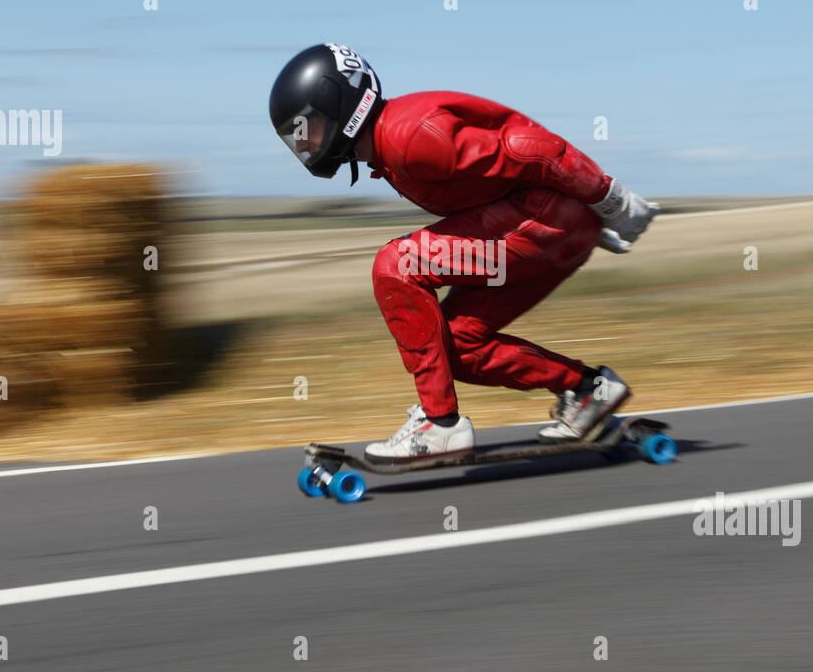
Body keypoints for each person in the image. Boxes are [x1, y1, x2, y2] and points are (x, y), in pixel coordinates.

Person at [269, 43, 658, 463]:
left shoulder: (411, 136)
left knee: (398, 265)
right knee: (452, 347)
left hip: (545, 223)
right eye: (296, 136)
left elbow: (530, 148)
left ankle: (440, 426)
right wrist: (578, 223)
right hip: (548, 230)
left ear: (340, 105)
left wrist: (607, 197)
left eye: (307, 128)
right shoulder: (389, 147)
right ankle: (589, 390)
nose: (304, 144)